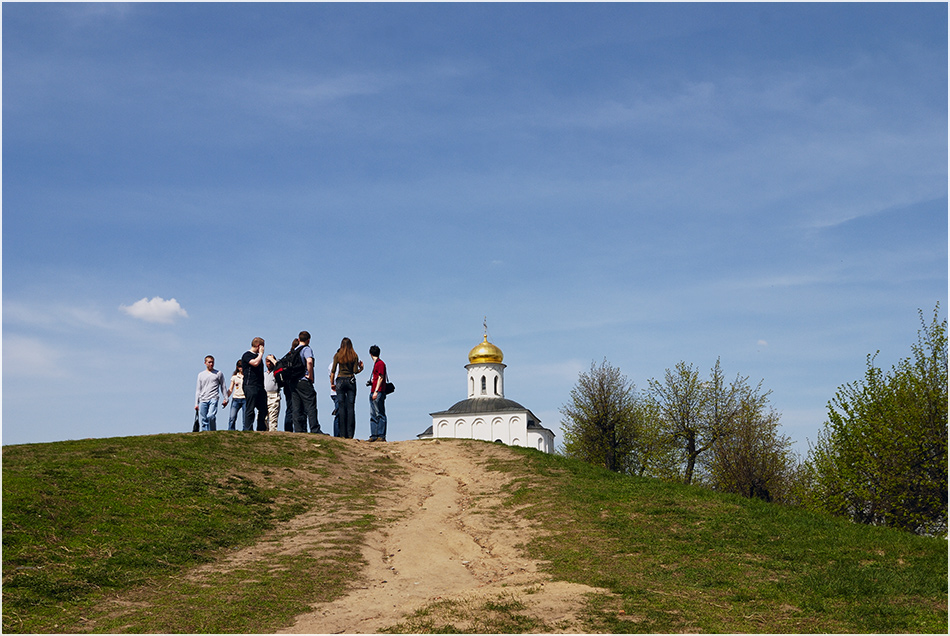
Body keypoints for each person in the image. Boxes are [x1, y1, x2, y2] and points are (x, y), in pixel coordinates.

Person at [290, 330, 323, 434]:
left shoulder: (294, 350)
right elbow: (309, 361)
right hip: (304, 380)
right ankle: (314, 428)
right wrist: (311, 376)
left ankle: (299, 429)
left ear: (299, 339)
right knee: (311, 404)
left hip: (293, 382)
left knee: (296, 407)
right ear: (308, 340)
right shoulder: (306, 349)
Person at [330, 337, 364, 439]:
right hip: (350, 381)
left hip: (340, 381)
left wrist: (332, 383)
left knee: (341, 407)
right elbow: (355, 371)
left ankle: (342, 433)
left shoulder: (337, 355)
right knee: (350, 407)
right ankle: (350, 434)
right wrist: (361, 368)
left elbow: (333, 370)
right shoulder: (354, 355)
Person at [241, 337, 268, 432]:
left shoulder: (258, 357)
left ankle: (261, 429)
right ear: (259, 346)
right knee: (250, 408)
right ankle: (248, 429)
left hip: (259, 386)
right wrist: (261, 353)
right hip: (250, 385)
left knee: (263, 409)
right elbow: (255, 363)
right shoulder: (247, 355)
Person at [195, 355, 227, 431]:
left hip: (214, 397)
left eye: (212, 362)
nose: (211, 364)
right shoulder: (201, 375)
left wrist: (226, 398)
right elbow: (198, 389)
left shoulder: (218, 373)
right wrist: (196, 403)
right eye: (209, 362)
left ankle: (212, 431)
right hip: (203, 399)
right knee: (204, 419)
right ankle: (205, 434)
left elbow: (223, 386)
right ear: (205, 363)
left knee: (210, 416)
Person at [368, 344, 388, 442]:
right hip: (375, 390)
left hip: (378, 391)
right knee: (374, 413)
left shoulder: (380, 364)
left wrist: (376, 391)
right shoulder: (378, 363)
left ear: (370, 354)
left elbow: (381, 377)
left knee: (379, 413)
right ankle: (375, 435)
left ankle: (380, 435)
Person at [282, 338, 299, 432]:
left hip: (286, 384)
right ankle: (298, 428)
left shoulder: (287, 356)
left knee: (289, 407)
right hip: (295, 384)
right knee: (298, 407)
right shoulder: (296, 356)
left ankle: (288, 429)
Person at [264, 354, 281, 432]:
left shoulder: (276, 372)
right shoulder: (263, 374)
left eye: (271, 361)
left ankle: (272, 433)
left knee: (273, 418)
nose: (269, 363)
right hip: (264, 396)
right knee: (262, 418)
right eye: (267, 361)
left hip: (274, 396)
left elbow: (280, 366)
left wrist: (272, 359)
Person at [226, 361, 245, 430]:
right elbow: (230, 389)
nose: (241, 368)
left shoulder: (247, 376)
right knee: (232, 417)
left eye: (242, 366)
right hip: (236, 398)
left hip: (244, 398)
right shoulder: (234, 377)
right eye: (240, 366)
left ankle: (245, 431)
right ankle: (231, 430)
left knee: (245, 418)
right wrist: (226, 397)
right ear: (237, 367)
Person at [329, 361, 340, 437]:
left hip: (334, 392)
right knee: (339, 413)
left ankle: (338, 433)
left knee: (339, 413)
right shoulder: (334, 365)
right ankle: (337, 434)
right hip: (336, 392)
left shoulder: (331, 365)